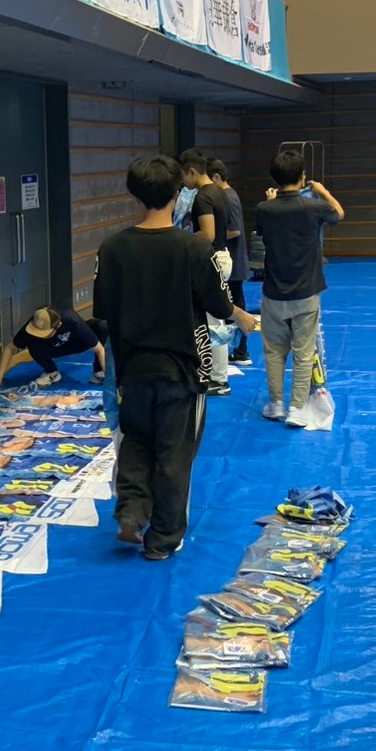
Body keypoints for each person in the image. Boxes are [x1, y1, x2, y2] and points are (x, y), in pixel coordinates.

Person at [93, 155, 256, 560]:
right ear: (177, 194)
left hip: (132, 367)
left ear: (135, 195)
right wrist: (237, 314)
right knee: (175, 453)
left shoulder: (112, 248)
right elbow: (218, 305)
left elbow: (103, 310)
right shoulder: (193, 249)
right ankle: (162, 539)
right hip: (182, 370)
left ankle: (131, 512)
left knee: (135, 443)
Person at [254, 150, 344, 427]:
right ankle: (296, 407)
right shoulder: (313, 206)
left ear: (275, 178)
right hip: (306, 290)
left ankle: (276, 404)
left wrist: (272, 201)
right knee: (304, 352)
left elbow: (267, 229)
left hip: (274, 291)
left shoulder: (264, 208)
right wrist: (323, 192)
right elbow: (339, 214)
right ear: (302, 176)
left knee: (274, 351)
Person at [181, 152, 235, 396]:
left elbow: (208, 234)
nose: (183, 183)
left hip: (213, 259)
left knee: (214, 323)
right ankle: (214, 374)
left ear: (191, 172)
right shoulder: (218, 191)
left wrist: (181, 240)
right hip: (221, 256)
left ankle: (219, 379)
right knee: (213, 320)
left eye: (183, 176)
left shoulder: (203, 197)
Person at [0, 307, 108, 390]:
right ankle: (52, 372)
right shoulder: (31, 327)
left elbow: (99, 349)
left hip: (76, 342)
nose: (39, 334)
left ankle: (98, 373)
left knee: (103, 326)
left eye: (44, 332)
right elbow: (10, 348)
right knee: (33, 344)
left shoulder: (72, 320)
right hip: (52, 347)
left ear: (59, 325)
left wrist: (109, 376)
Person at [209, 158, 252, 366]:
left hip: (232, 261)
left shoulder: (228, 197)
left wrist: (213, 236)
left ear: (216, 177)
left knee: (235, 306)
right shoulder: (226, 195)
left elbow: (234, 230)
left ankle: (241, 351)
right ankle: (236, 350)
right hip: (232, 260)